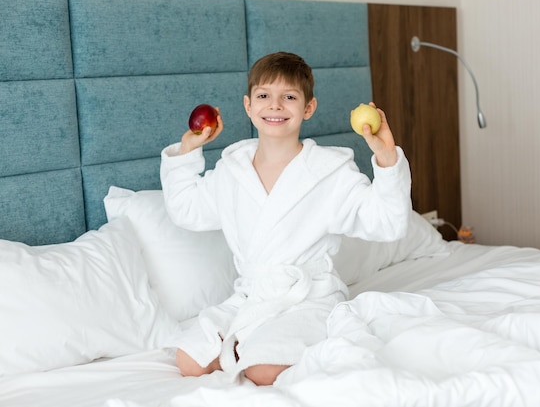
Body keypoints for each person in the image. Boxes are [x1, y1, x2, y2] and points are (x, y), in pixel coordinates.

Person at [160, 52, 412, 386]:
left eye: (289, 97)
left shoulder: (330, 172)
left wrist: (386, 157)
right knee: (189, 361)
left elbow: (388, 222)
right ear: (249, 106)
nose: (275, 105)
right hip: (252, 295)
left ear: (308, 108)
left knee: (263, 370)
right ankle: (254, 342)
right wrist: (188, 149)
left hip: (307, 298)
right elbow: (187, 209)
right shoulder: (231, 170)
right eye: (264, 96)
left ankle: (267, 348)